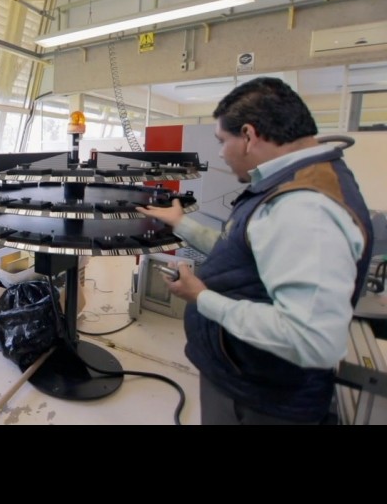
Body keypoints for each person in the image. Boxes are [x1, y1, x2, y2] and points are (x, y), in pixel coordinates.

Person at [137, 76, 374, 425]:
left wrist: (201, 297)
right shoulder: (294, 182)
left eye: (223, 141)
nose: (221, 153)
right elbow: (247, 251)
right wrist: (181, 224)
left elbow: (312, 342)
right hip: (246, 379)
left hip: (262, 400)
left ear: (248, 135)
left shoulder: (303, 207)